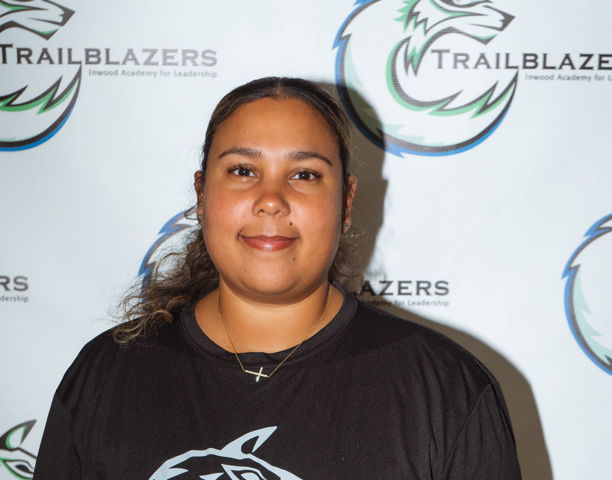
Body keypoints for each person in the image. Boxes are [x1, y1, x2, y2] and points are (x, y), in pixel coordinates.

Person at [33, 77, 522, 479]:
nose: (271, 200)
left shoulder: (446, 390)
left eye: (304, 174)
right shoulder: (105, 377)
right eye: (243, 171)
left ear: (346, 202)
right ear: (201, 195)